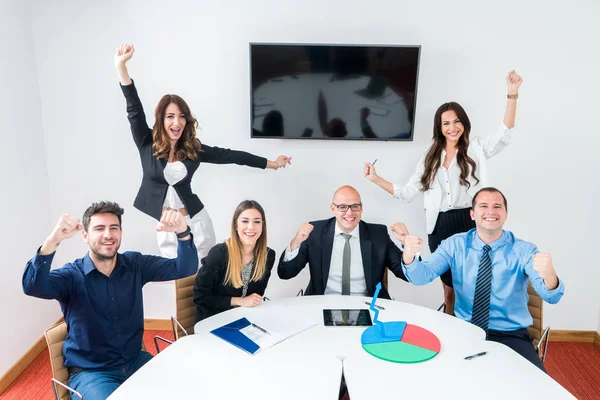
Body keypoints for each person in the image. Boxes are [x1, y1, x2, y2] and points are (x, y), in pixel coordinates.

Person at [364, 70, 523, 314]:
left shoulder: (477, 148)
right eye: (446, 123)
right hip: (440, 227)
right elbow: (406, 192)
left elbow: (505, 133)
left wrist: (512, 95)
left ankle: (477, 329)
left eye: (456, 121)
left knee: (471, 285)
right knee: (449, 289)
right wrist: (375, 178)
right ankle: (452, 326)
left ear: (464, 123)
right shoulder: (431, 157)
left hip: (470, 223)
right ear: (439, 127)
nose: (452, 128)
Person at [114, 44, 292, 261]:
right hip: (168, 228)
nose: (177, 122)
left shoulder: (192, 148)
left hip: (196, 222)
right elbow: (134, 108)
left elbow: (231, 156)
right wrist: (121, 66)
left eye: (181, 116)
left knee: (205, 278)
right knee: (179, 280)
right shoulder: (146, 141)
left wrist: (271, 163)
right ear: (161, 120)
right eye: (170, 116)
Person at [22, 202, 197, 400]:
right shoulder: (71, 275)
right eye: (99, 228)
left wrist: (183, 232)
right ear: (85, 236)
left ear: (120, 232)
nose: (108, 234)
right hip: (92, 372)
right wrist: (53, 240)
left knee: (182, 391)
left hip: (135, 360)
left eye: (114, 227)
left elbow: (185, 268)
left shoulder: (135, 264)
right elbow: (32, 286)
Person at [401, 188, 564, 372]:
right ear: (472, 214)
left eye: (497, 206)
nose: (490, 211)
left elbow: (552, 297)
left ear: (505, 214)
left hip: (510, 334)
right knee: (437, 376)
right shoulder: (455, 244)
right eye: (483, 206)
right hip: (464, 329)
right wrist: (409, 257)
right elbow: (421, 277)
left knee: (536, 386)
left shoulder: (525, 250)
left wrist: (550, 276)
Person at [278, 185, 409, 299]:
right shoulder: (315, 232)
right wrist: (295, 243)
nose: (350, 212)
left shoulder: (378, 234)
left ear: (361, 208)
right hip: (321, 304)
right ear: (332, 208)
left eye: (355, 206)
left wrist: (407, 246)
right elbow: (285, 274)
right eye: (342, 207)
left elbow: (406, 274)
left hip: (367, 306)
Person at [193, 200, 275, 322]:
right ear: (236, 225)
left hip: (244, 318)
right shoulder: (219, 254)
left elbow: (256, 295)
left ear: (263, 225)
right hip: (213, 319)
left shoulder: (268, 255)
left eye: (257, 221)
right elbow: (201, 297)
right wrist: (239, 301)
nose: (251, 227)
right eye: (245, 221)